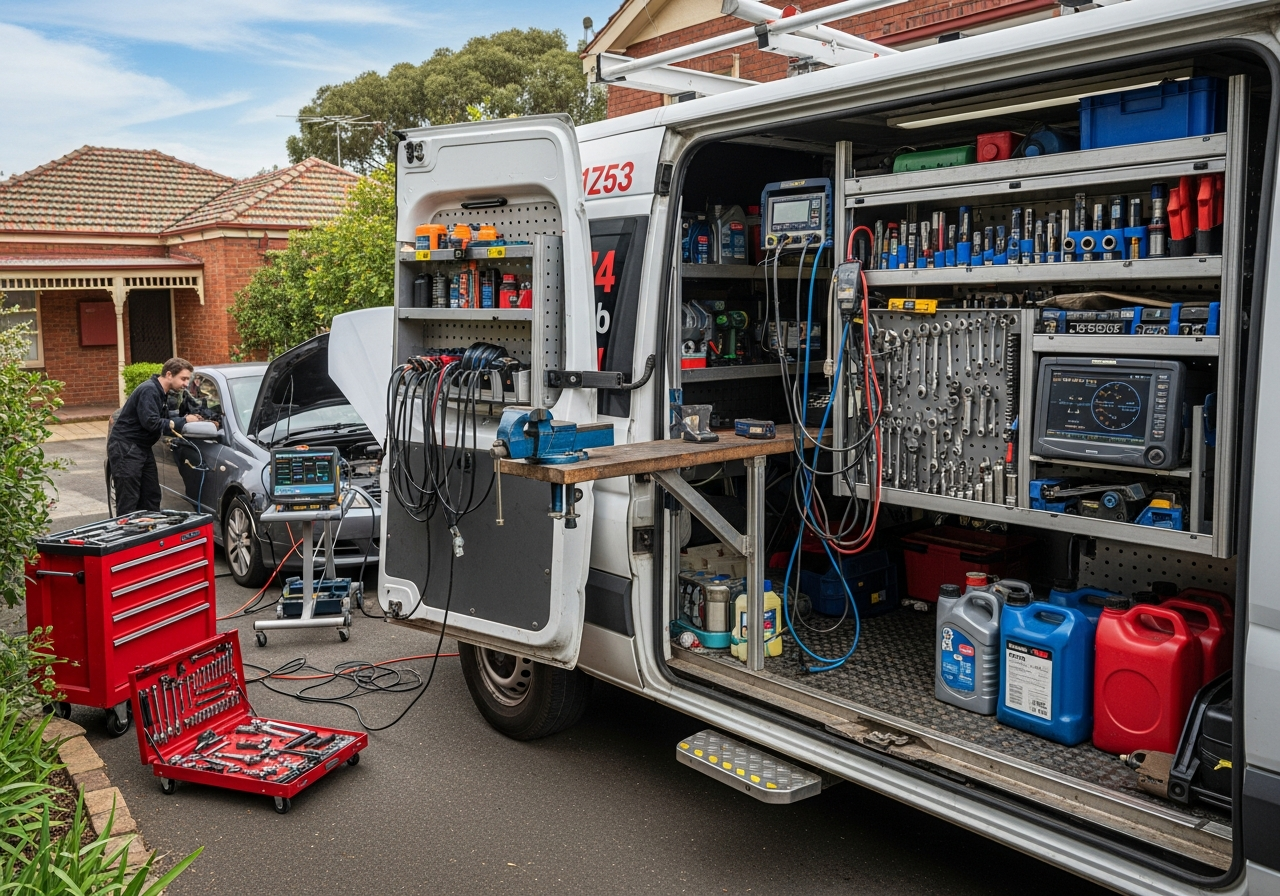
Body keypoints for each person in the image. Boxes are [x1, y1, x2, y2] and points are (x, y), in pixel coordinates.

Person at [107, 357, 203, 515]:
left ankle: (148, 533)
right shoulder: (149, 390)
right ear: (169, 375)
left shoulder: (161, 392)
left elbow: (161, 418)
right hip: (126, 448)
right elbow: (151, 423)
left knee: (151, 495)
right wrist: (183, 421)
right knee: (129, 499)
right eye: (184, 379)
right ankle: (127, 537)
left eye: (188, 379)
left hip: (142, 448)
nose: (186, 384)